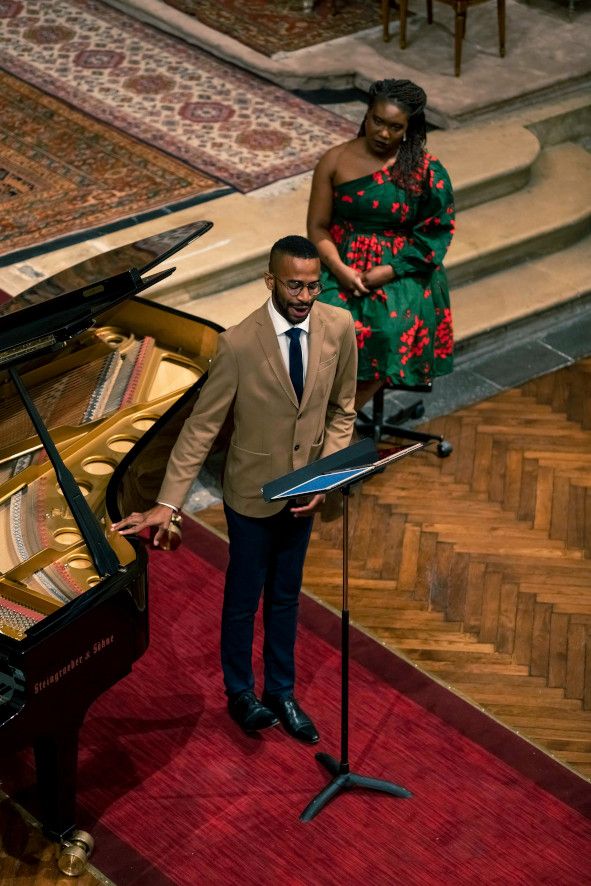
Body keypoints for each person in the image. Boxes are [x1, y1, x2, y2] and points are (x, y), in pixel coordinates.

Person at [112, 235, 357, 744]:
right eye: (294, 285)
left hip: (305, 492)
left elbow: (342, 409)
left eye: (313, 286)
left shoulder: (339, 326)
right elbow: (201, 427)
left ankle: (281, 693)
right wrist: (167, 502)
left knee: (286, 597)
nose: (305, 296)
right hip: (250, 494)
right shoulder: (239, 343)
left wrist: (327, 478)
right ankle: (241, 692)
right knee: (244, 599)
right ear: (270, 281)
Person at [307, 78, 455, 412]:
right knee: (326, 325)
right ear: (366, 115)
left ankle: (339, 421)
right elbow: (317, 227)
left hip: (404, 268)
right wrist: (342, 271)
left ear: (409, 129)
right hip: (340, 262)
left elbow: (436, 234)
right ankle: (324, 416)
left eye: (395, 127)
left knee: (387, 329)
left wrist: (388, 271)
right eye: (377, 121)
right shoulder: (334, 160)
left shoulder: (427, 171)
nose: (383, 133)